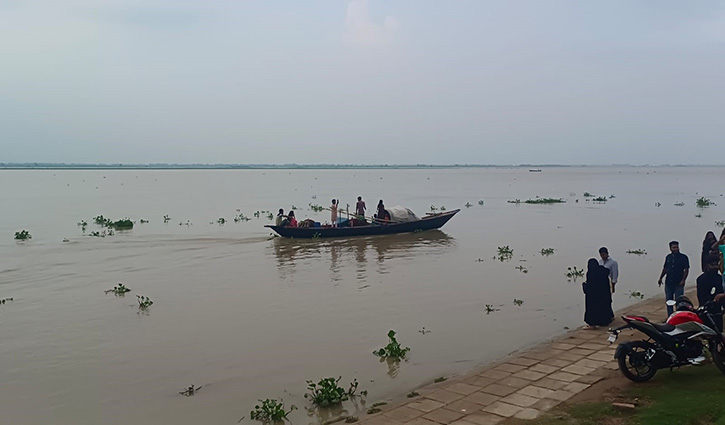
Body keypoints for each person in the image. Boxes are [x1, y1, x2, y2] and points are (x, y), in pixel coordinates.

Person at [658, 241, 690, 316]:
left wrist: (683, 280)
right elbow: (665, 268)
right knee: (669, 301)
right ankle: (670, 316)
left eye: (676, 247)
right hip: (669, 282)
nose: (676, 249)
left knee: (679, 302)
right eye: (674, 247)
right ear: (670, 248)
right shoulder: (668, 257)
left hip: (678, 283)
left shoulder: (684, 257)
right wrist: (660, 278)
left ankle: (679, 316)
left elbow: (686, 269)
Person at [583, 258, 614, 328]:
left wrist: (584, 286)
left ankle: (592, 324)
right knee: (603, 308)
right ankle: (605, 321)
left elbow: (591, 285)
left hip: (594, 296)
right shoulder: (603, 271)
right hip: (604, 295)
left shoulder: (590, 273)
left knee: (592, 309)